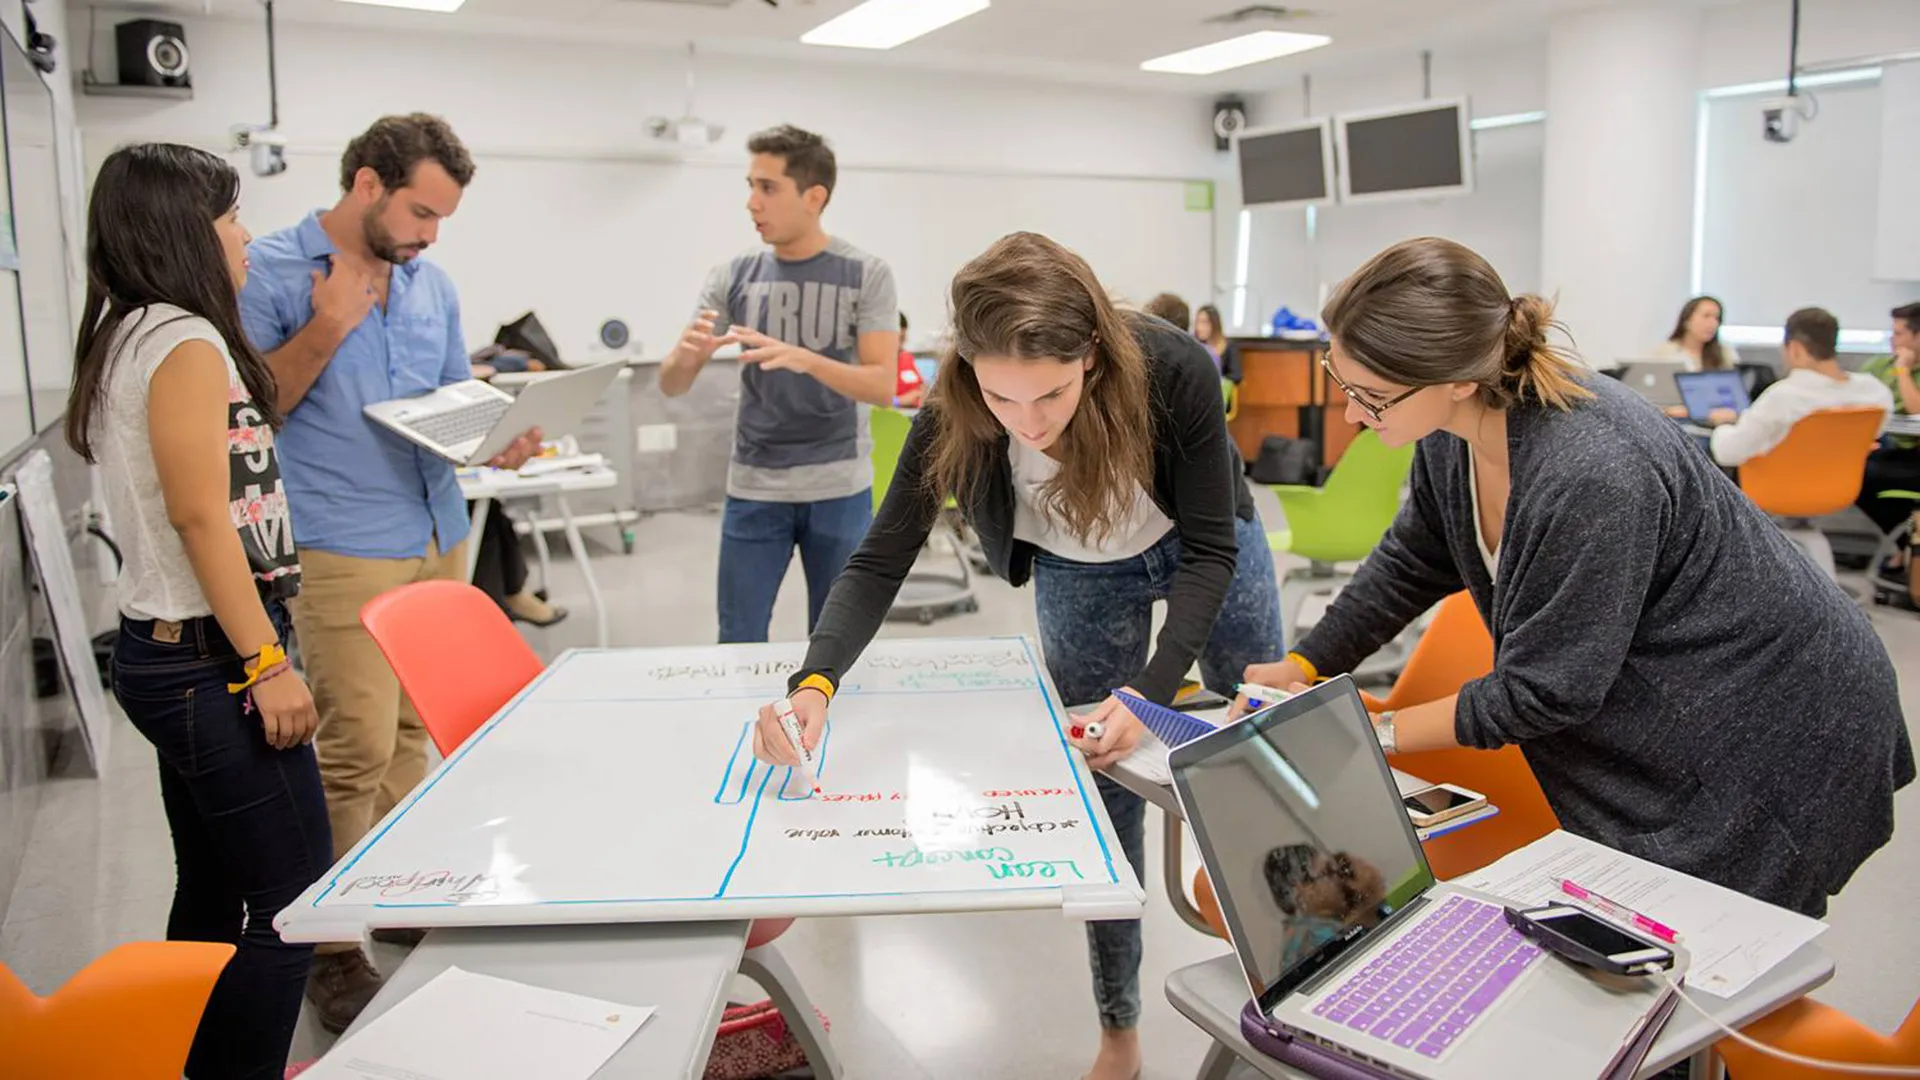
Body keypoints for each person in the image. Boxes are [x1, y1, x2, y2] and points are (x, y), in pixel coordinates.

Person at [1232, 237, 1910, 919]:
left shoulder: (1592, 472)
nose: (1351, 414)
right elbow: (1413, 559)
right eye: (1343, 384)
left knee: (1691, 954)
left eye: (1371, 396)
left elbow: (1542, 692)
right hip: (1680, 696)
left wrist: (1363, 732)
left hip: (1775, 725)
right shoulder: (1451, 437)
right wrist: (1305, 662)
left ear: (1459, 378)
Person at [748, 232, 1285, 1080]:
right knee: (1106, 789)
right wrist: (814, 680)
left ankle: (1295, 986)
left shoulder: (1172, 366)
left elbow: (1214, 551)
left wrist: (1148, 694)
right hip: (1080, 567)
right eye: (1002, 397)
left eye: (1052, 393)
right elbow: (883, 556)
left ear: (1095, 357)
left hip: (1202, 548)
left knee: (1261, 748)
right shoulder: (955, 403)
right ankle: (1120, 1030)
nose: (1027, 421)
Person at [238, 113, 541, 1031]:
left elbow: (448, 402)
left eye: (442, 219)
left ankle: (400, 890)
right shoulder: (274, 274)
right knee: (353, 748)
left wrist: (499, 440)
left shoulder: (430, 283)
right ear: (366, 184)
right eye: (418, 211)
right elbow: (253, 413)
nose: (428, 236)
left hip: (434, 527)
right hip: (343, 542)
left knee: (414, 732)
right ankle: (332, 947)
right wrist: (328, 326)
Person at [67, 143, 328, 1079]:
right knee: (295, 900)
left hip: (164, 650)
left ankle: (188, 1062)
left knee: (216, 888)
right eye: (228, 217)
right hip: (210, 657)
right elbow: (198, 515)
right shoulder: (182, 337)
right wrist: (267, 663)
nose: (245, 235)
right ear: (182, 229)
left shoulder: (127, 331)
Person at [658, 124, 900, 643]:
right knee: (738, 638)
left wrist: (806, 360)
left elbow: (882, 386)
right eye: (750, 185)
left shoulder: (866, 274)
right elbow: (672, 385)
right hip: (753, 486)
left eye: (767, 188)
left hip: (839, 488)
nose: (752, 203)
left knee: (838, 642)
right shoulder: (733, 274)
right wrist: (685, 354)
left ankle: (830, 728)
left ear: (814, 197)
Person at [1707, 307, 1892, 468]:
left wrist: (1722, 425)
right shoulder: (1874, 391)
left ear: (1795, 348)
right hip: (1841, 489)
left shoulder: (1783, 397)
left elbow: (1727, 453)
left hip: (1775, 490)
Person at [1859, 301, 1920, 535]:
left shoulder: (1899, 367)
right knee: (1853, 470)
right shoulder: (1879, 365)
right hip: (1886, 446)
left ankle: (1904, 544)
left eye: (1899, 333)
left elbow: (1917, 412)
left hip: (1914, 455)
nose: (1892, 339)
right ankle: (1903, 541)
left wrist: (1903, 371)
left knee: (1868, 474)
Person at [1653, 295, 1742, 371]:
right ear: (1687, 320)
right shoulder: (1665, 353)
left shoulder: (1725, 354)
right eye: (1706, 316)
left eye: (1717, 318)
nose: (1713, 324)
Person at [894, 311, 925, 408]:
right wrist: (898, 401)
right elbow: (867, 401)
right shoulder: (873, 363)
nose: (900, 344)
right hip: (889, 418)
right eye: (898, 338)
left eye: (902, 338)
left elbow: (920, 386)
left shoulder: (906, 357)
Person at [1194, 302, 1228, 372]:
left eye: (1204, 322)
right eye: (1197, 322)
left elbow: (1236, 376)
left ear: (1214, 323)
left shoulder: (1228, 345)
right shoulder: (1194, 345)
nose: (1199, 327)